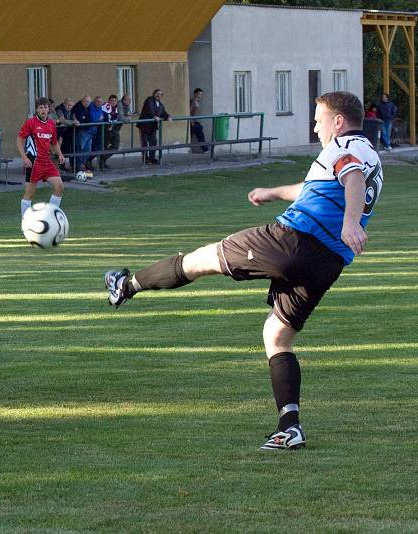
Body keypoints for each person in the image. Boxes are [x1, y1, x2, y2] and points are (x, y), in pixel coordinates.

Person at [104, 91, 382, 451]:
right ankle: (289, 427)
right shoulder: (370, 154)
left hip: (292, 241)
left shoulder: (346, 147)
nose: (315, 128)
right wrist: (272, 191)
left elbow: (351, 177)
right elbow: (316, 187)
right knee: (277, 336)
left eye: (318, 120)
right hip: (327, 263)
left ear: (339, 121)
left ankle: (126, 284)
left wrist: (350, 222)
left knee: (202, 259)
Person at [17, 97, 67, 217]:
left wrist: (59, 154)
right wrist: (24, 157)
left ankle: (51, 216)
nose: (43, 109)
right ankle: (25, 222)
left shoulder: (51, 124)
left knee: (59, 187)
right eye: (40, 107)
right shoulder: (30, 123)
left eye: (45, 107)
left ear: (49, 109)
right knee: (30, 194)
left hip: (47, 161)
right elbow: (19, 141)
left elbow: (54, 143)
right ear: (37, 110)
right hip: (34, 162)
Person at [137, 89, 172, 164]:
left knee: (153, 142)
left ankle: (152, 158)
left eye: (160, 94)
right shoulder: (149, 100)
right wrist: (154, 116)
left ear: (162, 96)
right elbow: (149, 109)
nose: (158, 95)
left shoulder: (160, 104)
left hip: (152, 127)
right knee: (144, 143)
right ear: (154, 94)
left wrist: (168, 116)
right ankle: (145, 159)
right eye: (157, 93)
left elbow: (163, 113)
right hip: (144, 125)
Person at [71, 95, 94, 172]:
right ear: (82, 100)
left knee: (87, 150)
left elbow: (90, 118)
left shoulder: (87, 107)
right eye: (86, 102)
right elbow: (81, 118)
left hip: (88, 131)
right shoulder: (78, 107)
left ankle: (82, 165)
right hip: (81, 131)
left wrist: (86, 119)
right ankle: (78, 167)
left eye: (89, 102)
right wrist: (85, 119)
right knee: (80, 149)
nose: (88, 103)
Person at [54, 98, 79, 169]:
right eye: (68, 105)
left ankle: (65, 165)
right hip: (58, 134)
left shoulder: (71, 110)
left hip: (66, 134)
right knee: (58, 151)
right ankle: (59, 166)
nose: (70, 107)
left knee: (66, 150)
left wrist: (75, 121)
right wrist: (73, 122)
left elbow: (74, 118)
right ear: (64, 104)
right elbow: (62, 120)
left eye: (71, 106)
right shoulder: (59, 109)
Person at [99, 94, 120, 169]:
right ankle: (102, 162)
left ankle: (102, 158)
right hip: (105, 129)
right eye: (112, 100)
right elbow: (107, 117)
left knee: (115, 146)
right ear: (108, 101)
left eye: (115, 101)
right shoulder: (106, 106)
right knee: (104, 146)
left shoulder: (117, 108)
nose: (113, 102)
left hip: (113, 130)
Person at [190, 88, 209, 153]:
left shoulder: (198, 101)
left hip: (197, 122)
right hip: (193, 122)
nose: (200, 95)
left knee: (199, 135)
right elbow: (189, 111)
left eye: (201, 94)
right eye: (198, 93)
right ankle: (205, 149)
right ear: (195, 94)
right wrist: (191, 121)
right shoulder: (193, 101)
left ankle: (205, 149)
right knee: (200, 135)